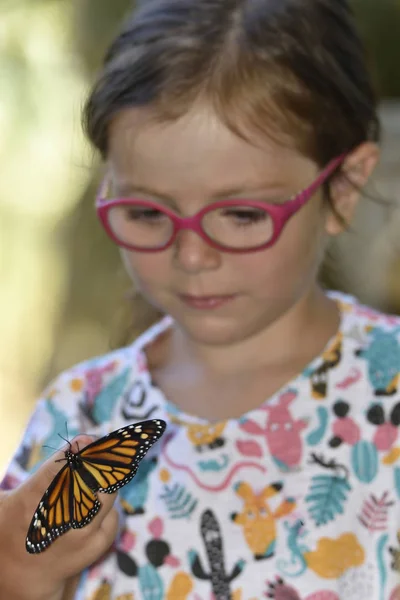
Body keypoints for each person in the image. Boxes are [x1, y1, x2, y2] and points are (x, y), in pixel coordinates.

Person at [1, 0, 399, 598]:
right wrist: (19, 573)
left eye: (240, 214)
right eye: (146, 212)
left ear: (341, 190)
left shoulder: (389, 391)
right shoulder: (82, 413)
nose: (191, 256)